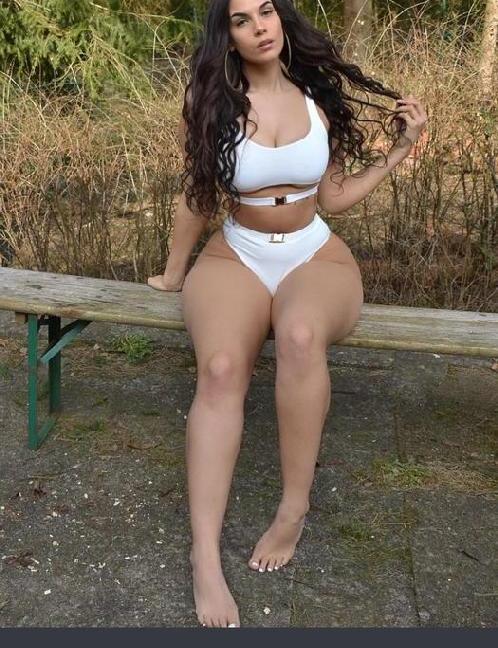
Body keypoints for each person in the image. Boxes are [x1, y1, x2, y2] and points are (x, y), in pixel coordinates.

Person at [147, 0, 427, 629]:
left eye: (267, 11)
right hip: (238, 251)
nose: (259, 27)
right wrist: (173, 271)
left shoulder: (316, 98)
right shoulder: (212, 103)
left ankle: (293, 508)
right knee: (221, 369)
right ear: (229, 36)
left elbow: (333, 196)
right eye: (242, 20)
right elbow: (197, 195)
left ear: (282, 19)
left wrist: (400, 149)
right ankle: (204, 555)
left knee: (300, 336)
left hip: (313, 253)